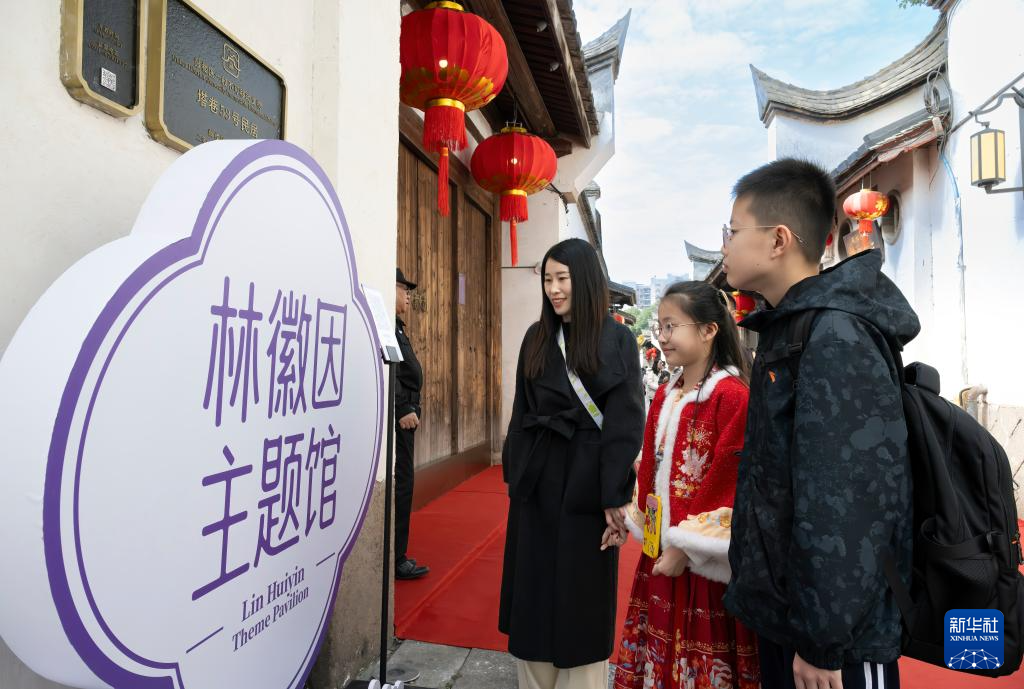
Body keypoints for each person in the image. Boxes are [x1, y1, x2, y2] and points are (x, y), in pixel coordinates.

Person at [720, 158, 919, 689]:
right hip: (793, 616)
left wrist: (821, 639)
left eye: (733, 230)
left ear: (778, 239)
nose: (725, 245)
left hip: (835, 641)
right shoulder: (792, 326)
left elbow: (850, 502)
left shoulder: (835, 335)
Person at [499, 238, 645, 689]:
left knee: (581, 592)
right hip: (539, 479)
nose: (554, 289)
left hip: (588, 481)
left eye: (562, 278)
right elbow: (522, 412)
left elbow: (624, 423)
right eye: (548, 279)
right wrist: (516, 475)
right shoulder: (537, 337)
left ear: (585, 280)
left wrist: (614, 496)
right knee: (534, 584)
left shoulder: (617, 338)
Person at [613, 281, 760, 689]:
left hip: (704, 563)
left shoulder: (732, 396)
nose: (662, 337)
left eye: (671, 326)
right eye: (659, 326)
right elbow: (649, 469)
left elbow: (732, 482)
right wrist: (635, 520)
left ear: (709, 330)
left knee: (703, 661)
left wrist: (687, 546)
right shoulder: (665, 394)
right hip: (659, 550)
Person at [394, 268, 429, 580]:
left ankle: (398, 554)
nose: (408, 296)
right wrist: (402, 406)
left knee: (406, 483)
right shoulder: (386, 327)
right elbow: (388, 369)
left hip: (408, 413)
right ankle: (396, 558)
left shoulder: (397, 327)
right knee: (402, 484)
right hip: (401, 416)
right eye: (404, 289)